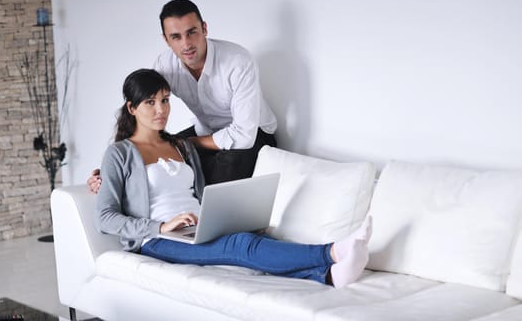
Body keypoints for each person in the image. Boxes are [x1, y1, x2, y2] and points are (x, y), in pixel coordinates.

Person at [96, 68, 372, 288]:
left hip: (200, 228)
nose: (161, 110)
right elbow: (105, 217)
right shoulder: (119, 154)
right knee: (241, 245)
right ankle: (332, 252)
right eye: (150, 102)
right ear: (132, 108)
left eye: (165, 100)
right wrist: (161, 226)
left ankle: (329, 277)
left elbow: (200, 194)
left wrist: (227, 219)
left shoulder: (181, 145)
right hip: (158, 241)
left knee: (249, 243)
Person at [88, 0, 277, 191]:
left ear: (204, 28)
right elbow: (142, 113)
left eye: (191, 32)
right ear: (166, 40)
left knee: (220, 170)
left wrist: (189, 144)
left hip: (255, 135)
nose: (186, 44)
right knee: (157, 157)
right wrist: (110, 169)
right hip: (206, 131)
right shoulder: (165, 65)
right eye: (176, 37)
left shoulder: (237, 61)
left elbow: (244, 135)